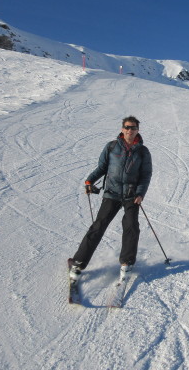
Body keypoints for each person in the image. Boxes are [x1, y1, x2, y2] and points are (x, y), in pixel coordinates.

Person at [69, 116, 153, 281]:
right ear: (122, 129)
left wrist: (140, 193)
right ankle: (78, 262)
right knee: (98, 226)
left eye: (133, 128)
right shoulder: (112, 147)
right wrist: (89, 180)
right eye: (127, 127)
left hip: (131, 195)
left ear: (138, 130)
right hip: (111, 193)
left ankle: (126, 263)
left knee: (131, 226)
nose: (130, 130)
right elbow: (102, 167)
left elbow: (146, 175)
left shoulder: (143, 151)